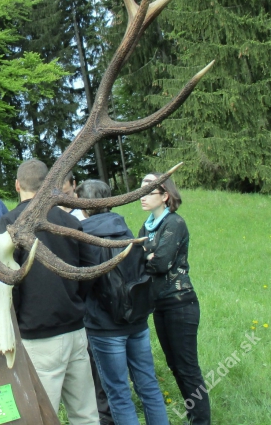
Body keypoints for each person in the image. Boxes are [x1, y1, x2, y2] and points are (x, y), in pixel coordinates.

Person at [0, 159, 99, 425]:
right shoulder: (68, 220)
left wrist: (18, 321)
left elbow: (4, 283)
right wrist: (73, 298)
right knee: (86, 414)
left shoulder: (6, 225)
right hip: (75, 329)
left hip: (37, 335)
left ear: (18, 185)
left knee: (41, 417)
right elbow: (89, 270)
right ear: (49, 185)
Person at [77, 180, 168, 425]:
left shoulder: (84, 237)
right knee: (149, 387)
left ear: (83, 206)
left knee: (118, 394)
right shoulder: (127, 232)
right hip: (137, 322)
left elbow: (82, 286)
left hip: (105, 328)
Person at [140, 173, 210, 425]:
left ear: (165, 196)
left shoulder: (175, 224)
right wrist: (147, 255)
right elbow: (140, 259)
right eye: (140, 191)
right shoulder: (146, 226)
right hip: (159, 305)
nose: (142, 196)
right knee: (174, 365)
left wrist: (147, 255)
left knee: (188, 368)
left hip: (181, 303)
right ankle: (194, 416)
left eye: (149, 191)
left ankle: (201, 420)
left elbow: (159, 263)